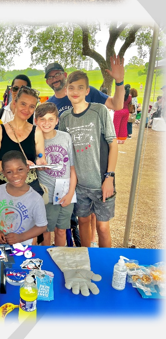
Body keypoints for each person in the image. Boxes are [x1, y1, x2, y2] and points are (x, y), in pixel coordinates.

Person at [58, 70, 116, 248]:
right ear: (67, 90)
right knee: (83, 222)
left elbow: (113, 144)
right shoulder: (65, 118)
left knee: (103, 227)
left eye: (80, 87)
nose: (75, 91)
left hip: (101, 182)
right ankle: (85, 258)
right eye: (71, 87)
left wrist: (109, 177)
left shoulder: (99, 111)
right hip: (79, 185)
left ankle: (106, 265)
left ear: (87, 90)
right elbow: (63, 150)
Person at [34, 102, 76, 246]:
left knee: (62, 230)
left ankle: (59, 258)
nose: (47, 123)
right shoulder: (33, 140)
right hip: (46, 196)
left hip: (66, 193)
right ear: (36, 121)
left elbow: (72, 168)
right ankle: (46, 260)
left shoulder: (65, 137)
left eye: (51, 119)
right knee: (45, 231)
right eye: (42, 119)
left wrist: (71, 193)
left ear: (57, 121)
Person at [0, 85, 46, 189]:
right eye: (23, 104)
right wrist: (18, 165)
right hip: (3, 189)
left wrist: (41, 161)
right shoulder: (0, 130)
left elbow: (41, 156)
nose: (26, 109)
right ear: (15, 103)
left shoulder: (36, 131)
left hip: (29, 189)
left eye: (32, 106)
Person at [0, 151, 48, 245]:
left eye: (20, 169)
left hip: (24, 247)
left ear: (27, 168)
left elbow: (42, 226)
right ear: (3, 173)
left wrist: (20, 237)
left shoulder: (36, 199)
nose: (15, 175)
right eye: (9, 172)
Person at [44, 59, 126, 116]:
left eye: (57, 74)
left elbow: (116, 105)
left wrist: (119, 81)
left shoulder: (86, 92)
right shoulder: (48, 106)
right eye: (50, 77)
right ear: (47, 82)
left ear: (65, 75)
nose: (54, 79)